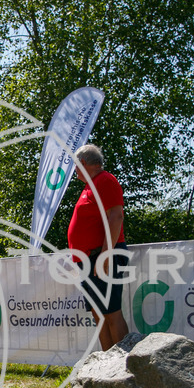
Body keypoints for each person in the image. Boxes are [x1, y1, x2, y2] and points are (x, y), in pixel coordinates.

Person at [67, 144, 130, 351]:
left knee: (111, 313)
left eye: (75, 165)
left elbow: (116, 216)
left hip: (100, 257)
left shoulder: (105, 180)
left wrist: (105, 255)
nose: (74, 170)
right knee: (99, 314)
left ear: (83, 163)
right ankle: (108, 363)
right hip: (89, 259)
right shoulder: (91, 185)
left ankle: (125, 364)